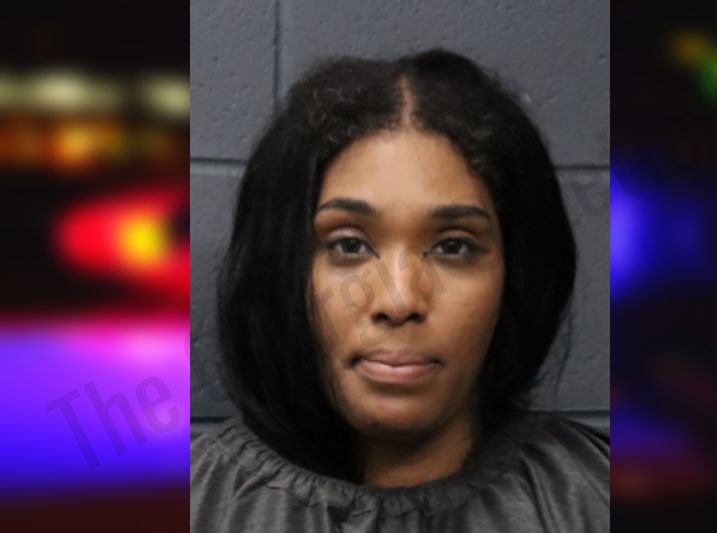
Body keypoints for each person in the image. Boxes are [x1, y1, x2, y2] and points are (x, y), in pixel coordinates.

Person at [191, 49, 609, 532]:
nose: (399, 301)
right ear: (283, 269)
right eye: (349, 245)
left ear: (514, 276)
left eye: (453, 246)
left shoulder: (595, 498)